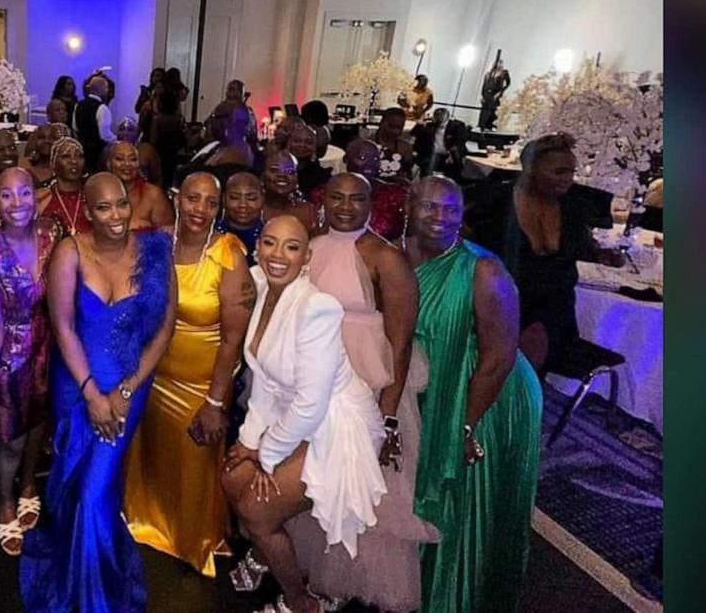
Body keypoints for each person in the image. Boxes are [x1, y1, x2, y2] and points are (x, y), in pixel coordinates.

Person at [20, 173, 177, 613]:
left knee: (95, 491)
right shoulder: (70, 251)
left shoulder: (154, 252)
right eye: (104, 208)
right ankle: (74, 562)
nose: (116, 216)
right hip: (77, 381)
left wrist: (125, 390)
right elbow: (64, 325)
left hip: (130, 383)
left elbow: (164, 329)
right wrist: (90, 392)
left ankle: (96, 598)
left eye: (122, 205)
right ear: (87, 212)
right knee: (73, 482)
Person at [283, 173, 436, 612]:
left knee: (364, 491)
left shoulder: (386, 258)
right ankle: (315, 577)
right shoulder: (309, 245)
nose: (346, 207)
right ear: (322, 199)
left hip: (368, 388)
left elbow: (401, 342)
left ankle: (350, 584)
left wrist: (387, 415)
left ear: (373, 203)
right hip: (315, 384)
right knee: (316, 481)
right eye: (337, 197)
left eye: (357, 198)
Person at [220, 215, 388, 613]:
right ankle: (265, 553)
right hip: (289, 412)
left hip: (335, 424)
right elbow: (264, 378)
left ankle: (300, 601)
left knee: (256, 510)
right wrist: (247, 441)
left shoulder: (319, 309)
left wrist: (267, 455)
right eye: (270, 243)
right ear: (258, 246)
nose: (278, 255)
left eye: (291, 247)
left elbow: (310, 406)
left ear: (306, 257)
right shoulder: (260, 286)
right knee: (231, 479)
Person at [404, 177, 543, 613]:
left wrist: (463, 423)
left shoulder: (484, 270)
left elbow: (500, 357)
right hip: (434, 383)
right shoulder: (394, 254)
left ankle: (457, 599)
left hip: (488, 393)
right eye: (429, 207)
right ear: (409, 206)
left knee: (463, 504)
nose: (440, 218)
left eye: (451, 209)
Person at [124, 171, 253, 576]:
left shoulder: (228, 254)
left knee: (195, 463)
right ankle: (148, 522)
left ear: (219, 209)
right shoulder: (158, 241)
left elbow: (234, 339)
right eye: (193, 199)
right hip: (154, 375)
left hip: (202, 385)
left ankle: (193, 539)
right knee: (151, 455)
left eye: (210, 203)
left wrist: (216, 402)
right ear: (178, 198)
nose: (200, 209)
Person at [0, 168, 65, 555]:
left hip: (50, 343)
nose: (17, 203)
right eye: (7, 195)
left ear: (37, 194)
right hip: (8, 353)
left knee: (40, 420)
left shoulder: (54, 234)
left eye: (25, 192)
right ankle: (4, 499)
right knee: (11, 439)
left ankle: (28, 484)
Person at [464, 133, 625, 372]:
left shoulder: (573, 208)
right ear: (529, 169)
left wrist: (601, 255)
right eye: (559, 172)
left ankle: (517, 396)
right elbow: (460, 244)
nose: (568, 179)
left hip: (554, 312)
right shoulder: (493, 202)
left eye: (571, 172)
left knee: (535, 334)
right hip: (496, 304)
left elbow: (582, 247)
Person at [345, 137, 408, 242]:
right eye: (362, 157)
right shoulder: (327, 193)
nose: (370, 163)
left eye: (375, 159)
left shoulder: (395, 195)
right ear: (346, 159)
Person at [106, 141, 172, 232]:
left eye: (133, 159)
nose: (127, 164)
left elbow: (168, 233)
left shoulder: (153, 194)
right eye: (119, 159)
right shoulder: (98, 193)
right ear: (109, 164)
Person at [36, 137, 90, 236]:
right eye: (66, 156)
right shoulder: (42, 197)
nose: (74, 161)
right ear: (53, 163)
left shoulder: (92, 196)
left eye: (79, 156)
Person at [261, 150, 322, 233]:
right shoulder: (253, 208)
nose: (282, 175)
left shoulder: (309, 212)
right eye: (274, 170)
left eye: (290, 172)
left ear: (296, 179)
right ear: (263, 175)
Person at [217, 171, 266, 265]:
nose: (243, 205)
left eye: (251, 198)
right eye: (234, 197)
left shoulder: (271, 237)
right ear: (223, 199)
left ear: (263, 198)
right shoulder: (209, 235)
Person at [146, 85, 187, 189]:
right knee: (170, 179)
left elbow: (153, 139)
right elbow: (182, 137)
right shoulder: (178, 120)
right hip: (173, 153)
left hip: (159, 152)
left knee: (159, 180)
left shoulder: (157, 120)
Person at [74, 73, 114, 171]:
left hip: (82, 150)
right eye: (107, 88)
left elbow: (75, 127)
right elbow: (104, 135)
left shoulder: (78, 105)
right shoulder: (102, 108)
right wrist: (117, 139)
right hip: (98, 153)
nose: (108, 91)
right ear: (103, 89)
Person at [114, 117, 163, 186]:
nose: (125, 133)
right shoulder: (110, 150)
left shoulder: (147, 150)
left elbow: (157, 178)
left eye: (130, 130)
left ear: (137, 132)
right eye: (122, 129)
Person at [369, 107, 415, 176]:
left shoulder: (405, 148)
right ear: (382, 123)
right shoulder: (367, 143)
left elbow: (407, 175)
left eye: (399, 128)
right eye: (392, 126)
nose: (396, 131)